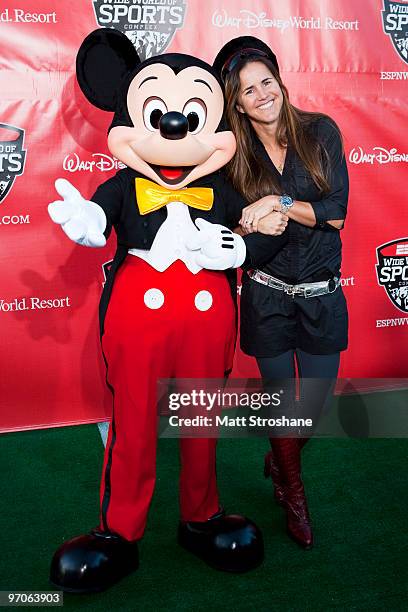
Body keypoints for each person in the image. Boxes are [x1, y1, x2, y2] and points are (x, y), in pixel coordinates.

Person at [214, 36, 349, 549]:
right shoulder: (234, 157)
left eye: (266, 81)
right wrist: (248, 227)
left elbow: (334, 214)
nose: (261, 94)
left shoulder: (321, 132)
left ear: (280, 81)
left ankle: (279, 456)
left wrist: (277, 200)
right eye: (248, 90)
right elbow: (233, 230)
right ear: (239, 103)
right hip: (267, 296)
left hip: (320, 294)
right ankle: (294, 494)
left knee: (311, 408)